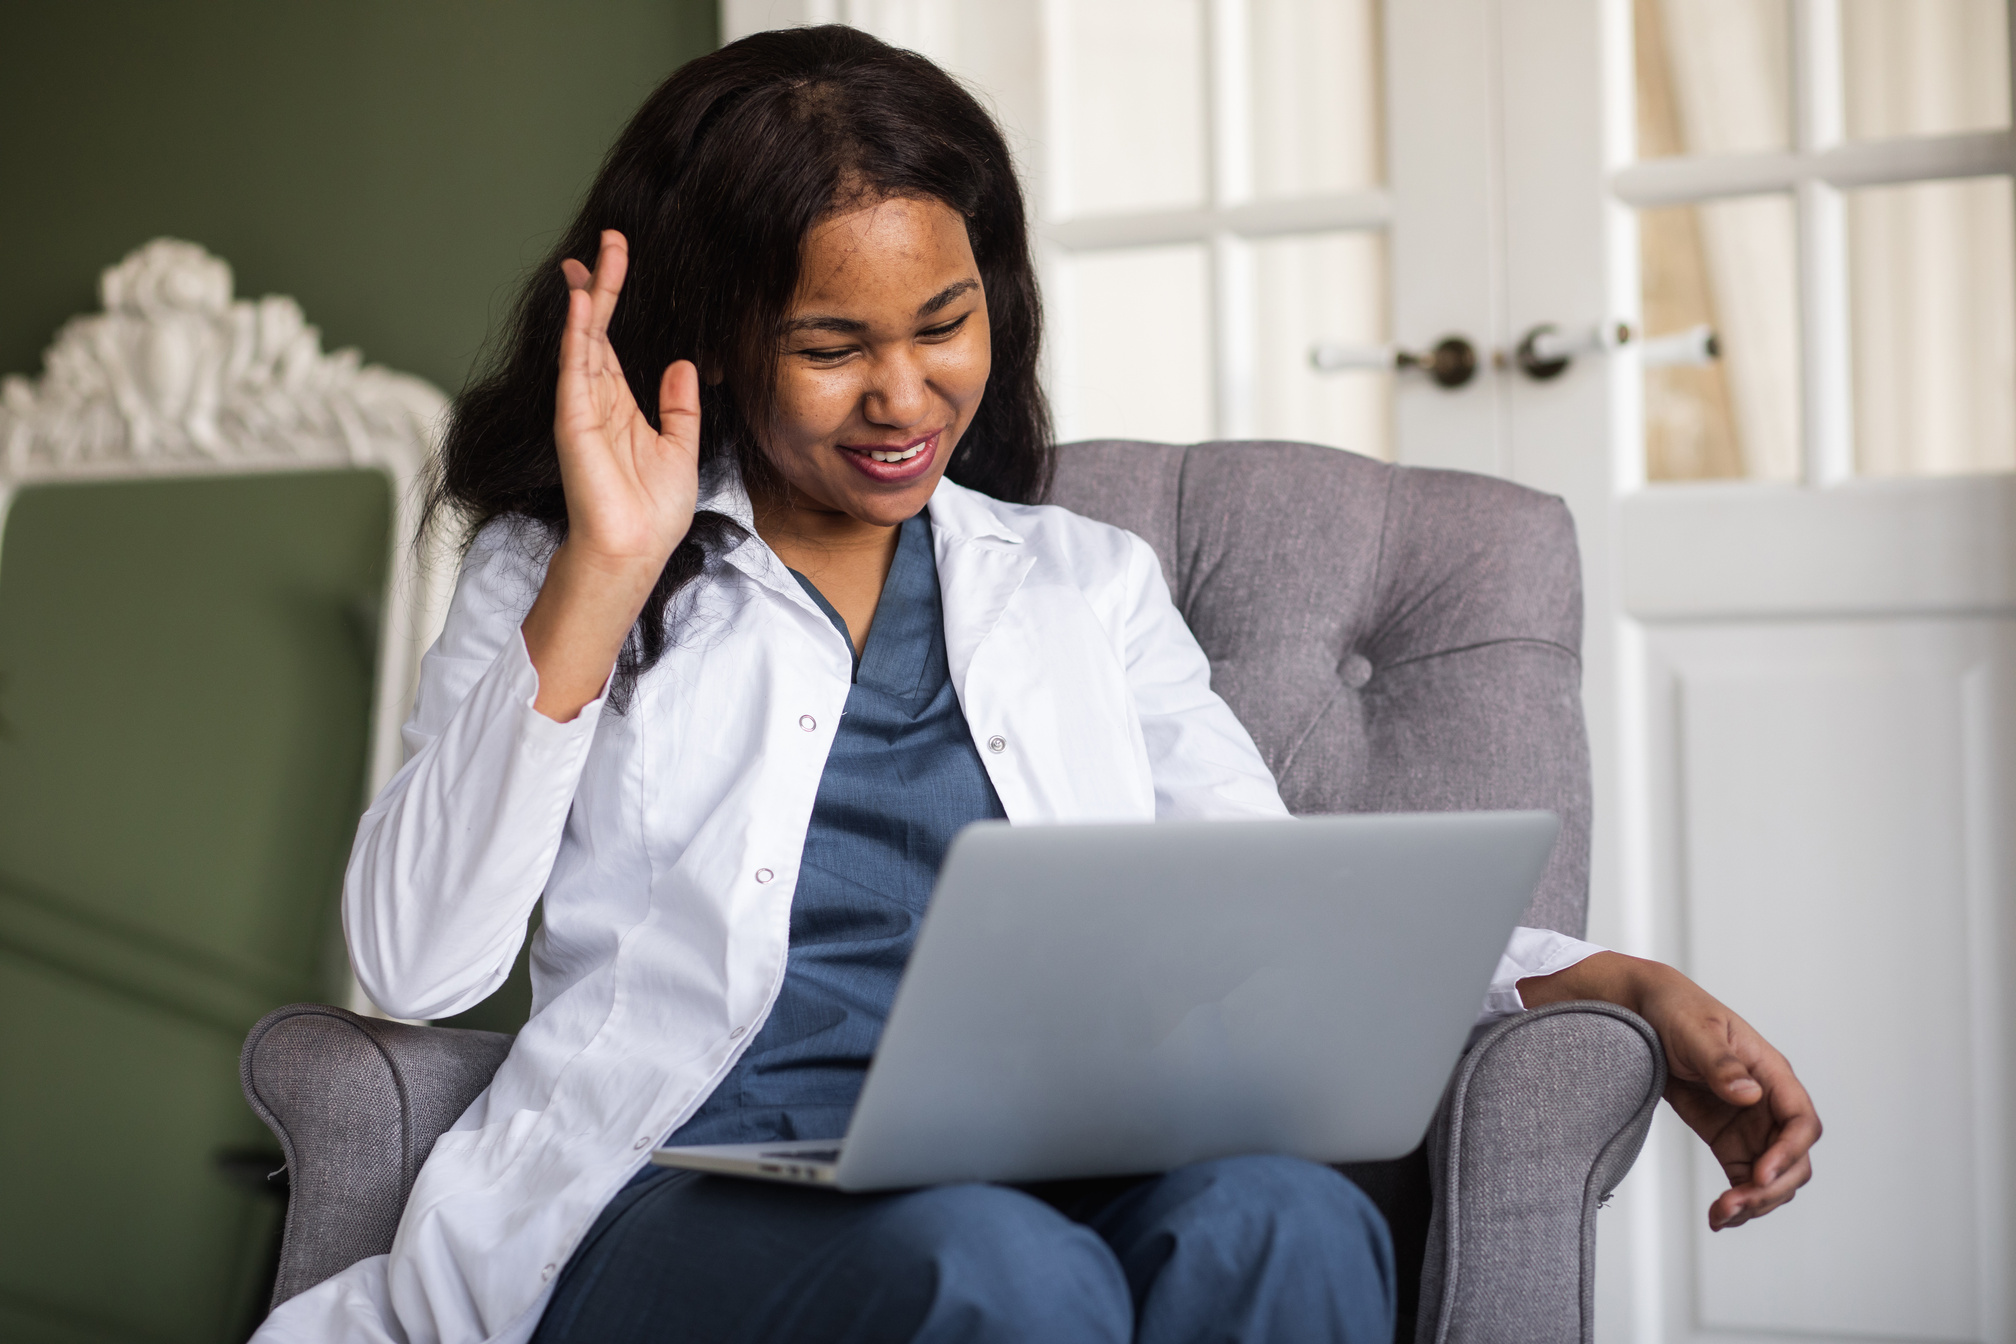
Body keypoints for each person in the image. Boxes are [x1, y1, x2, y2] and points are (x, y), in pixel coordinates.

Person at [257, 25, 1820, 1344]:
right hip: (679, 1189)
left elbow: (1275, 908)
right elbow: (417, 963)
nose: (906, 395)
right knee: (995, 1272)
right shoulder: (562, 569)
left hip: (1049, 1174)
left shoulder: (1081, 584)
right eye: (831, 346)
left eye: (946, 324)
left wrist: (1607, 980)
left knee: (1284, 1222)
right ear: (715, 339)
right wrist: (606, 572)